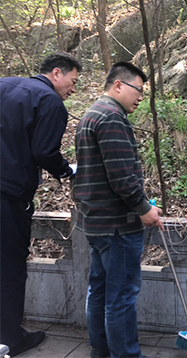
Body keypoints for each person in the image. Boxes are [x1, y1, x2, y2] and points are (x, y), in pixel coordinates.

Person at [73, 62, 164, 358]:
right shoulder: (112, 117)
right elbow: (122, 175)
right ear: (118, 85)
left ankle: (100, 350)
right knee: (121, 296)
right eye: (138, 89)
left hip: (96, 221)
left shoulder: (91, 114)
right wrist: (143, 208)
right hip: (117, 225)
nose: (141, 97)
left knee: (99, 290)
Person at [0, 53, 82, 356]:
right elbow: (44, 152)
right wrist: (67, 170)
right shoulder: (49, 101)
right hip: (8, 194)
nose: (73, 89)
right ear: (56, 73)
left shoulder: (4, 84)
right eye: (73, 81)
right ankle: (11, 338)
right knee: (9, 265)